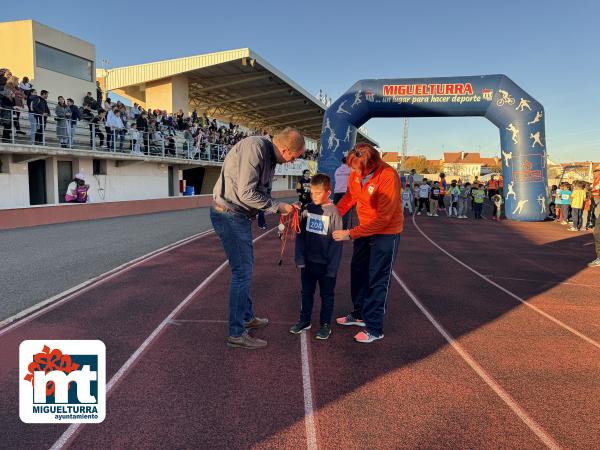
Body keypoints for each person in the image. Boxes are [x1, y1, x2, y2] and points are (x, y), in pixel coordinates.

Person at [211, 127, 305, 349]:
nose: (293, 162)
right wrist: (277, 206)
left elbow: (259, 192)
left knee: (245, 268)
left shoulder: (269, 156)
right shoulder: (256, 148)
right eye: (294, 156)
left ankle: (246, 317)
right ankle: (236, 333)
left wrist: (283, 207)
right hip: (230, 214)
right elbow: (246, 193)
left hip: (238, 216)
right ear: (284, 149)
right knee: (242, 272)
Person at [333, 143, 403, 343]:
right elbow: (351, 196)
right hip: (364, 229)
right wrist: (334, 213)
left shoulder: (388, 176)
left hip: (386, 232)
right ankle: (359, 314)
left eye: (356, 169)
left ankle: (374, 327)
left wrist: (350, 233)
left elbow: (384, 218)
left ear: (371, 166)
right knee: (358, 272)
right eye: (351, 168)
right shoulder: (356, 173)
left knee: (377, 278)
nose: (353, 172)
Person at [291, 173, 343, 340]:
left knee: (327, 295)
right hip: (308, 263)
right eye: (312, 192)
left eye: (318, 193)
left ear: (328, 191)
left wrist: (332, 268)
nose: (314, 196)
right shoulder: (308, 209)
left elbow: (337, 243)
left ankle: (325, 324)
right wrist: (299, 257)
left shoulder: (334, 213)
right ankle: (305, 320)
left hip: (326, 265)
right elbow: (300, 235)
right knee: (306, 293)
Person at [589, 169, 600, 267]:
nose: (595, 174)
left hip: (597, 199)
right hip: (595, 199)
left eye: (596, 172)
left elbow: (595, 188)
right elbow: (592, 188)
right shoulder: (595, 180)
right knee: (597, 232)